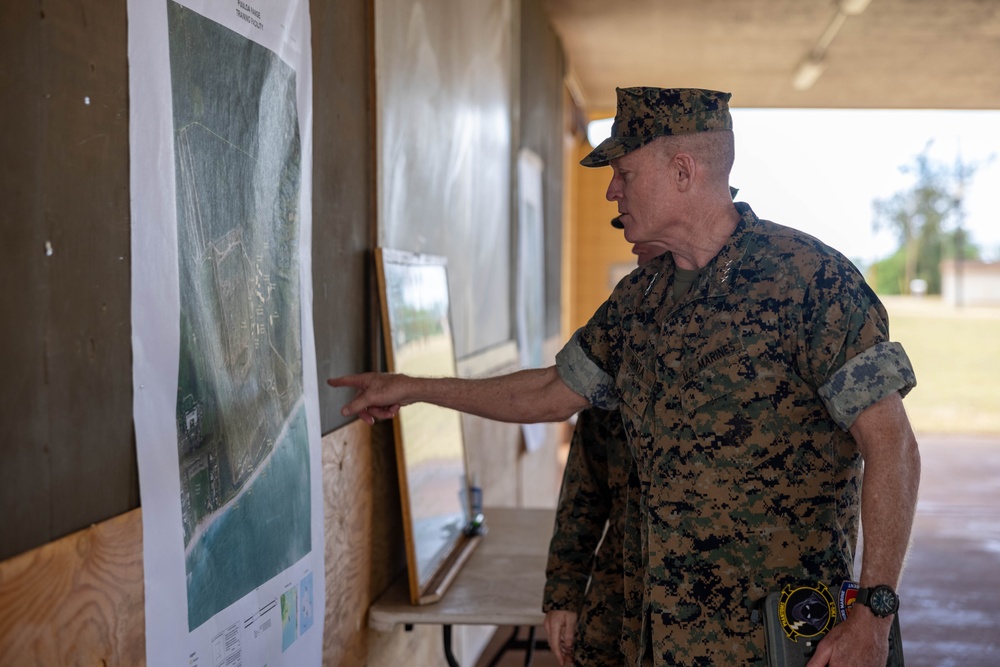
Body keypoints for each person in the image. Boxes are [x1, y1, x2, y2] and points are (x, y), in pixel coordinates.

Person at [329, 87, 921, 666]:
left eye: (625, 173)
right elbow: (549, 393)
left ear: (683, 171)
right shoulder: (638, 300)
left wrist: (874, 611)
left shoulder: (811, 283)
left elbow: (892, 445)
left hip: (775, 640)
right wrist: (414, 388)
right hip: (652, 637)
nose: (611, 190)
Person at [543, 235, 666, 667]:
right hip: (618, 604)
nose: (635, 250)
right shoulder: (622, 333)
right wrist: (564, 589)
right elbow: (586, 483)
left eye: (649, 241)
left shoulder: (744, 330)